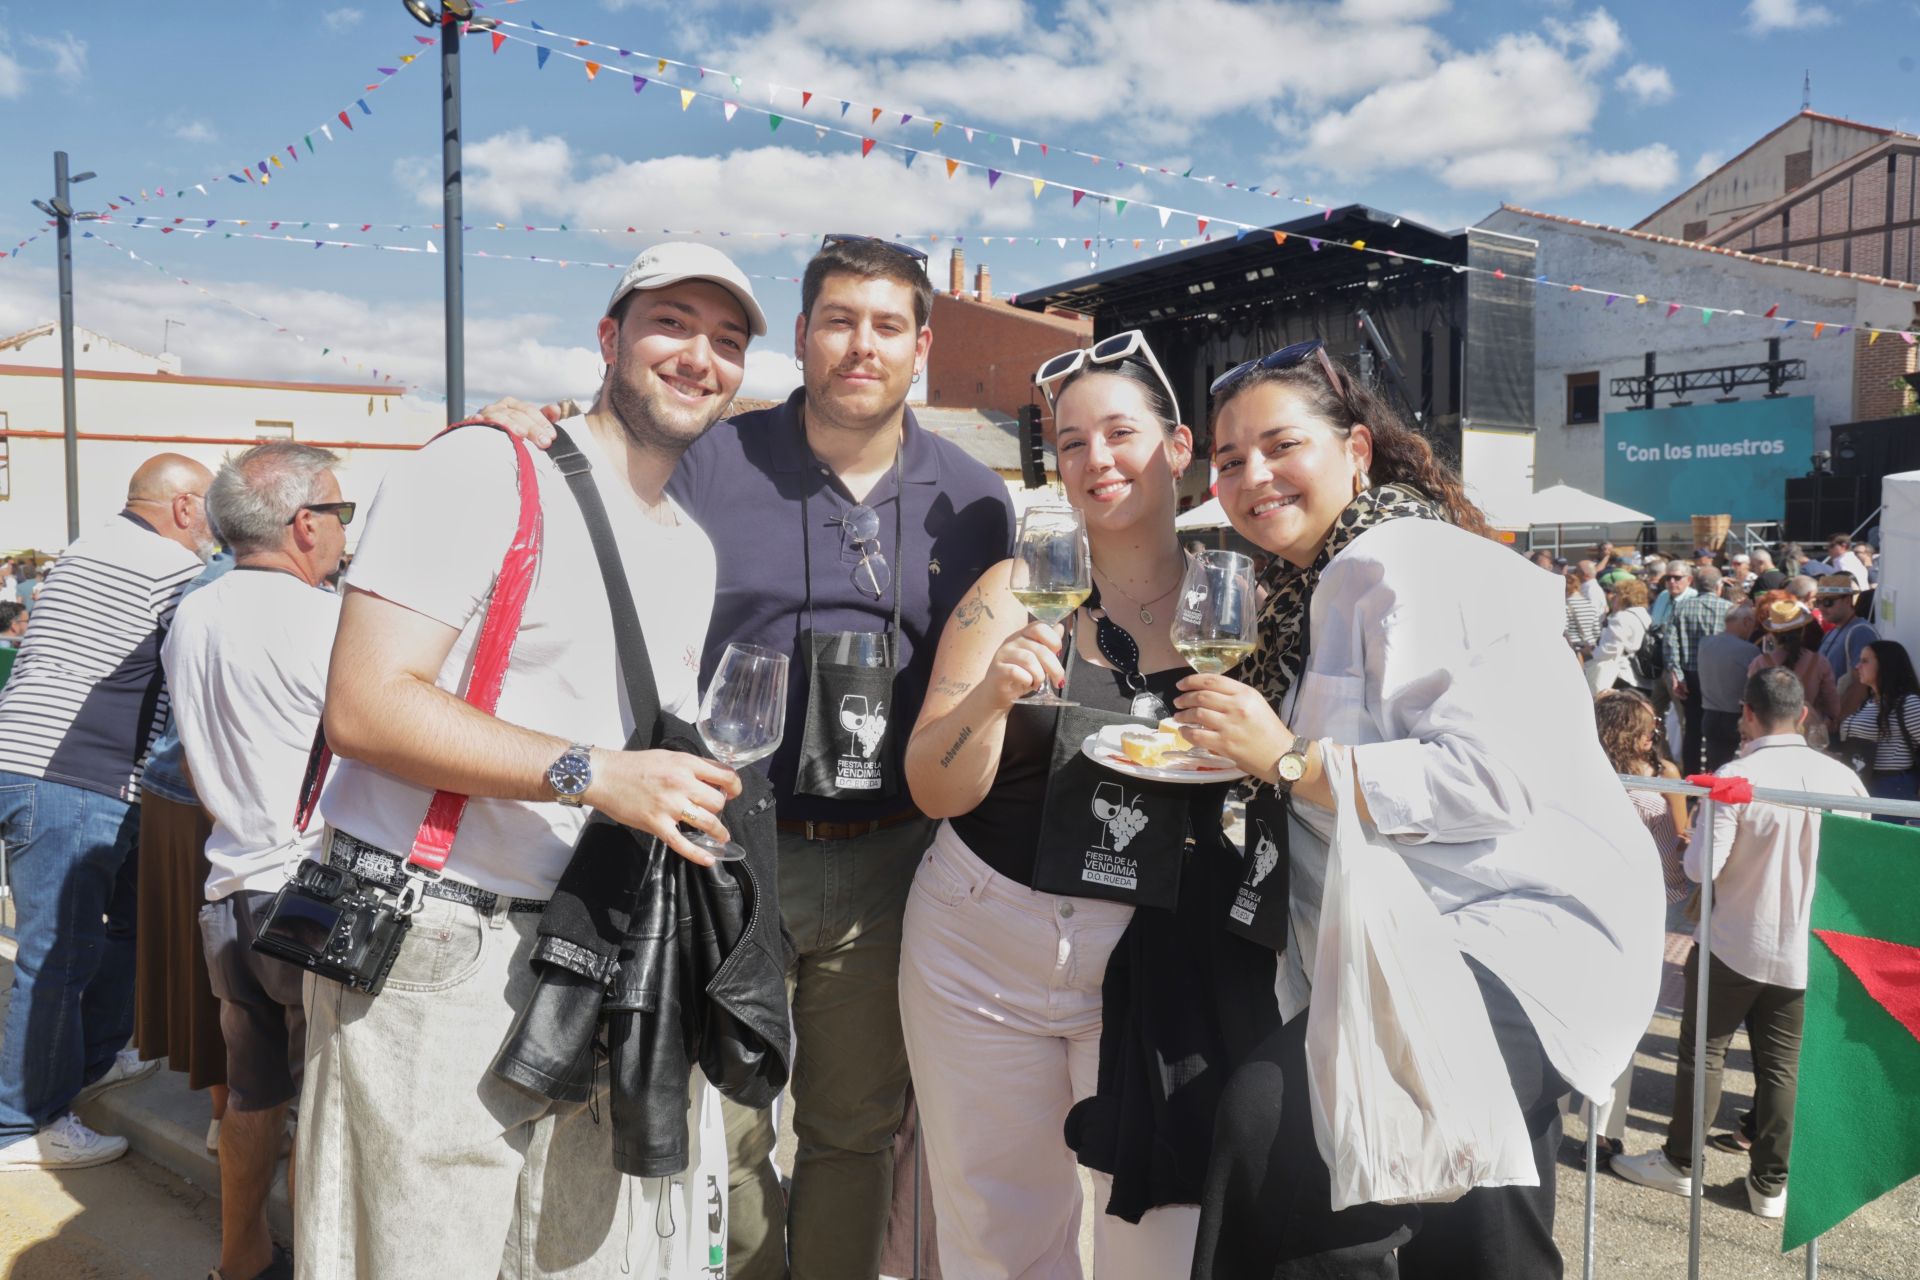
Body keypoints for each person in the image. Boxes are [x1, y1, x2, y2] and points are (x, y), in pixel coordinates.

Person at [484, 236, 1015, 1280]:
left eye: (887, 324)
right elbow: (585, 474)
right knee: (724, 1125)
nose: (861, 345)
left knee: (853, 1127)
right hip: (724, 848)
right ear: (806, 333)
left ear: (923, 344)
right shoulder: (708, 456)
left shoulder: (973, 497)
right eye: (837, 320)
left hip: (889, 861)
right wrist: (521, 427)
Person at [304, 243, 760, 1277]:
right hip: (435, 949)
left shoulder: (690, 541)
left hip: (589, 955)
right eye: (673, 324)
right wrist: (589, 770)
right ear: (609, 339)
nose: (701, 356)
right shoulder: (483, 467)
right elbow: (366, 704)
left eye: (727, 340)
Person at [1177, 339, 1663, 1276]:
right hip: (1422, 942)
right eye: (1230, 460)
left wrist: (1286, 760)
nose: (1253, 476)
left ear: (1357, 450)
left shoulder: (1408, 559)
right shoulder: (1316, 587)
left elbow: (1488, 779)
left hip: (1512, 935)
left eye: (1281, 446)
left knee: (1272, 1124)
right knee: (1478, 1228)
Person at [898, 334, 1229, 1276]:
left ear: (1177, 445)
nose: (1095, 459)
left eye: (1119, 433)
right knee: (998, 1237)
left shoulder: (1232, 599)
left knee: (1157, 1235)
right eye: (1071, 441)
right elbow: (935, 784)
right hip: (979, 943)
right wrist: (994, 698)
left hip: (1152, 951)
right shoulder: (1016, 590)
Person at [164, 443, 350, 1280]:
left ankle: (240, 1259)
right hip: (312, 888)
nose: (347, 530)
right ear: (304, 525)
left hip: (232, 881)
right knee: (328, 1106)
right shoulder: (328, 620)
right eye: (341, 513)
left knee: (253, 1094)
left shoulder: (195, 611)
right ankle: (318, 1263)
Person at [0, 453, 213, 1173]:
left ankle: (88, 1062)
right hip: (74, 774)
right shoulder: (171, 569)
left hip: (44, 767)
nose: (214, 526)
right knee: (56, 955)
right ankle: (19, 1125)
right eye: (212, 509)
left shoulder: (87, 548)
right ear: (184, 507)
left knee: (115, 928)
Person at [1613, 667, 1867, 1219]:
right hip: (1805, 944)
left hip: (1734, 937)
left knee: (1705, 1050)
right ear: (1803, 714)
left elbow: (1702, 865)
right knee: (1781, 1066)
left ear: (1747, 714)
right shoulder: (1843, 780)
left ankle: (1681, 1163)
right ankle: (1770, 1184)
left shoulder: (1738, 775)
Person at [132, 537, 236, 1160]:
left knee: (205, 959)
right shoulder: (229, 588)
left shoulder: (203, 584)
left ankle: (227, 1114)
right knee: (219, 960)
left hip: (176, 789)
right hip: (207, 798)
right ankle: (232, 1117)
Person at [1586, 690, 1690, 1165]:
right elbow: (1676, 867)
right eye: (1650, 726)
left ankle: (1589, 1120)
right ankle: (1600, 1129)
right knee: (1610, 1018)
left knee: (1604, 1013)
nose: (1656, 734)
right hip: (1614, 909)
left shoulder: (1656, 774)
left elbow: (1678, 846)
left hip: (1616, 905)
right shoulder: (1625, 786)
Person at [1837, 639, 1920, 819]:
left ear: (1886, 665)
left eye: (1865, 661)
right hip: (1862, 782)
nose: (1858, 666)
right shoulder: (1869, 703)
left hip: (1891, 789)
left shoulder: (1908, 704)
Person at [1748, 593, 1840, 738]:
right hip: (1808, 733)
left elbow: (1750, 702)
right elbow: (1832, 703)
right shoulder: (1819, 662)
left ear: (1772, 633)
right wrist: (1831, 722)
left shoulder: (1760, 663)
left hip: (1769, 734)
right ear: (1802, 630)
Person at [1665, 566, 1729, 774]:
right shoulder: (1728, 609)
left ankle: (1691, 777)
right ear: (1719, 586)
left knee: (1693, 728)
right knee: (1715, 728)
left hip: (1690, 675)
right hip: (1718, 675)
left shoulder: (1681, 608)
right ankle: (1713, 774)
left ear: (1694, 583)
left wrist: (1677, 675)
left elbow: (1671, 645)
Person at [1697, 603, 1760, 773]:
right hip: (1735, 718)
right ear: (1746, 622)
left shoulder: (1705, 643)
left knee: (1714, 768)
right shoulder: (1750, 651)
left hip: (1709, 715)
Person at [1586, 576, 1654, 695]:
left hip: (1621, 674)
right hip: (1643, 675)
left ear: (1624, 597)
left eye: (1616, 594)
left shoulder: (1621, 618)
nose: (1612, 597)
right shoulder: (1644, 615)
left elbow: (1611, 649)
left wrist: (1592, 651)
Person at [1815, 573, 1877, 685]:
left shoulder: (1860, 632)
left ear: (1848, 600)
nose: (1821, 608)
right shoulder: (1831, 632)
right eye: (1818, 602)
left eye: (1828, 602)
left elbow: (1859, 686)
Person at [1563, 570, 1602, 661]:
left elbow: (1565, 630)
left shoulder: (1565, 606)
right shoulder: (1590, 605)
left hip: (1574, 650)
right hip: (1591, 649)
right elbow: (1597, 630)